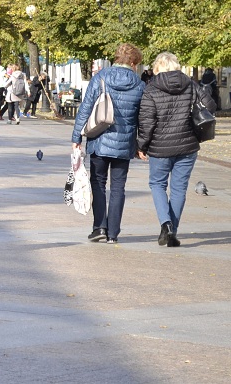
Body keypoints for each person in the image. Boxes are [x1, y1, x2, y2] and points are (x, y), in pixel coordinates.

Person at [137, 52, 216, 247]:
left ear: (157, 68)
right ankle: (172, 231)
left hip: (160, 147)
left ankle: (166, 224)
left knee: (157, 184)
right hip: (187, 145)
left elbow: (146, 122)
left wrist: (141, 145)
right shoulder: (190, 84)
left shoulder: (151, 88)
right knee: (179, 188)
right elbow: (210, 105)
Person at [71, 43, 145, 244]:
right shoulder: (139, 85)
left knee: (98, 183)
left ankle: (99, 227)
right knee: (118, 187)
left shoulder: (100, 78)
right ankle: (113, 233)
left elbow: (86, 108)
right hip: (125, 142)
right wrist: (141, 144)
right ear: (133, 62)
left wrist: (76, 137)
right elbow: (143, 118)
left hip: (99, 139)